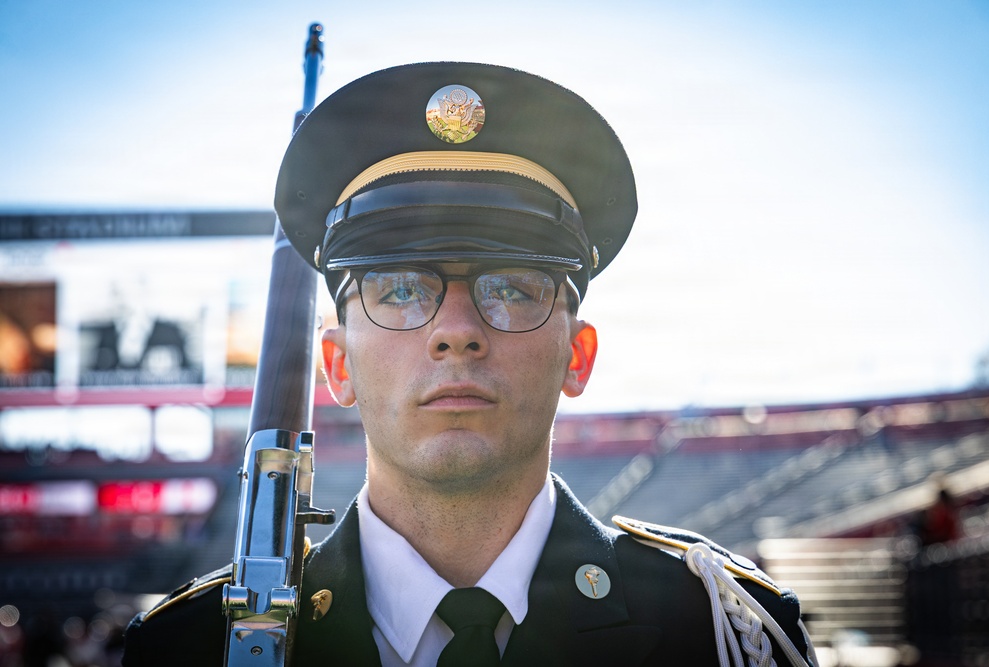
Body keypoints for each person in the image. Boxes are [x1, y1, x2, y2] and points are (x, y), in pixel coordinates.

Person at [123, 62, 816, 666]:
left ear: (577, 356)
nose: (457, 332)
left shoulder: (723, 634)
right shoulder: (184, 649)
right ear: (337, 364)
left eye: (513, 288)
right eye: (399, 289)